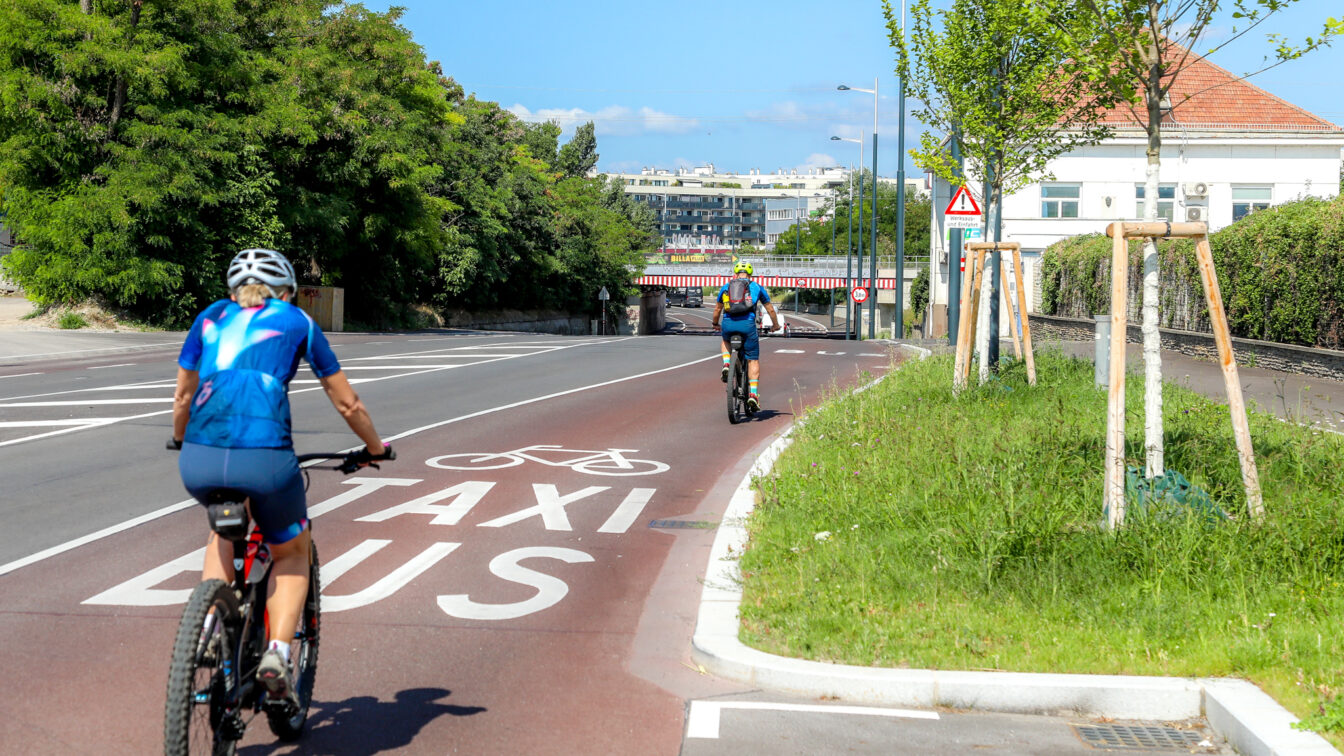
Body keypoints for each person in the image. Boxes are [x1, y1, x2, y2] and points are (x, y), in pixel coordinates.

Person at [168, 248, 391, 706]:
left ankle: (210, 626)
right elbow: (347, 403)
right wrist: (375, 449)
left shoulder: (209, 317)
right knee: (291, 549)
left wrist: (179, 439)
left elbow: (183, 395)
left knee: (221, 532)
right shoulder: (296, 321)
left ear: (231, 290)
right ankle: (276, 654)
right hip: (265, 460)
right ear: (287, 291)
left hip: (198, 459)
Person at [711, 260, 780, 410]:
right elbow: (771, 310)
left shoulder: (727, 286)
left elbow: (717, 310)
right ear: (750, 274)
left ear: (735, 274)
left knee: (725, 339)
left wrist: (715, 324)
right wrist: (775, 325)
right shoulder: (756, 287)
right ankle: (753, 395)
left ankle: (727, 363)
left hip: (729, 324)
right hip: (747, 325)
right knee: (752, 360)